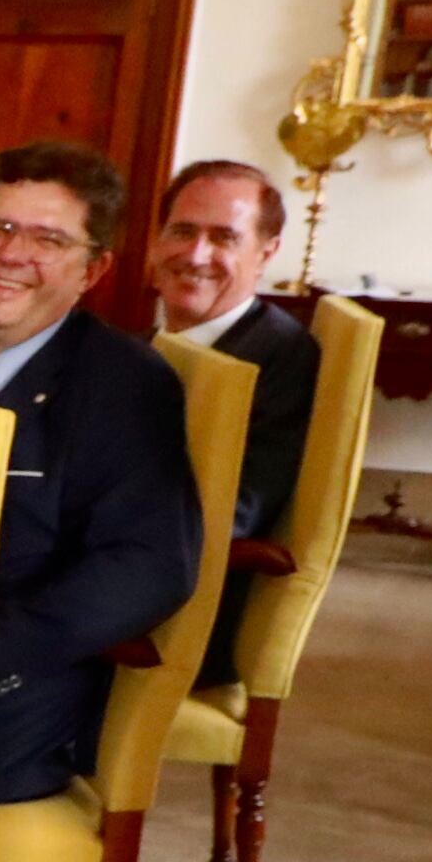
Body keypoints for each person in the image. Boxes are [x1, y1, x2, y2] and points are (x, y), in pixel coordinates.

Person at [0, 142, 198, 805]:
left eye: (48, 238)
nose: (9, 254)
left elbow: (148, 565)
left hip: (1, 707)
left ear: (93, 270)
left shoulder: (123, 385)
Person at [148, 158, 326, 687]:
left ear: (266, 253)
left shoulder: (279, 359)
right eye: (182, 231)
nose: (195, 255)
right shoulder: (143, 346)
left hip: (185, 618)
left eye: (224, 237)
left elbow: (235, 512)